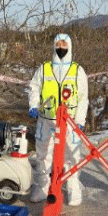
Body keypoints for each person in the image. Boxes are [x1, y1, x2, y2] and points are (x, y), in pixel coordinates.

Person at [28, 33, 88, 206]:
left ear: (70, 46)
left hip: (69, 121)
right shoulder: (44, 68)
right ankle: (42, 187)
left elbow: (83, 97)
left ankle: (73, 189)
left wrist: (80, 120)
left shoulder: (77, 70)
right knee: (43, 154)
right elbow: (34, 87)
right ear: (54, 46)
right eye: (58, 45)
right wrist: (33, 105)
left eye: (64, 45)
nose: (61, 48)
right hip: (46, 119)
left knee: (72, 155)